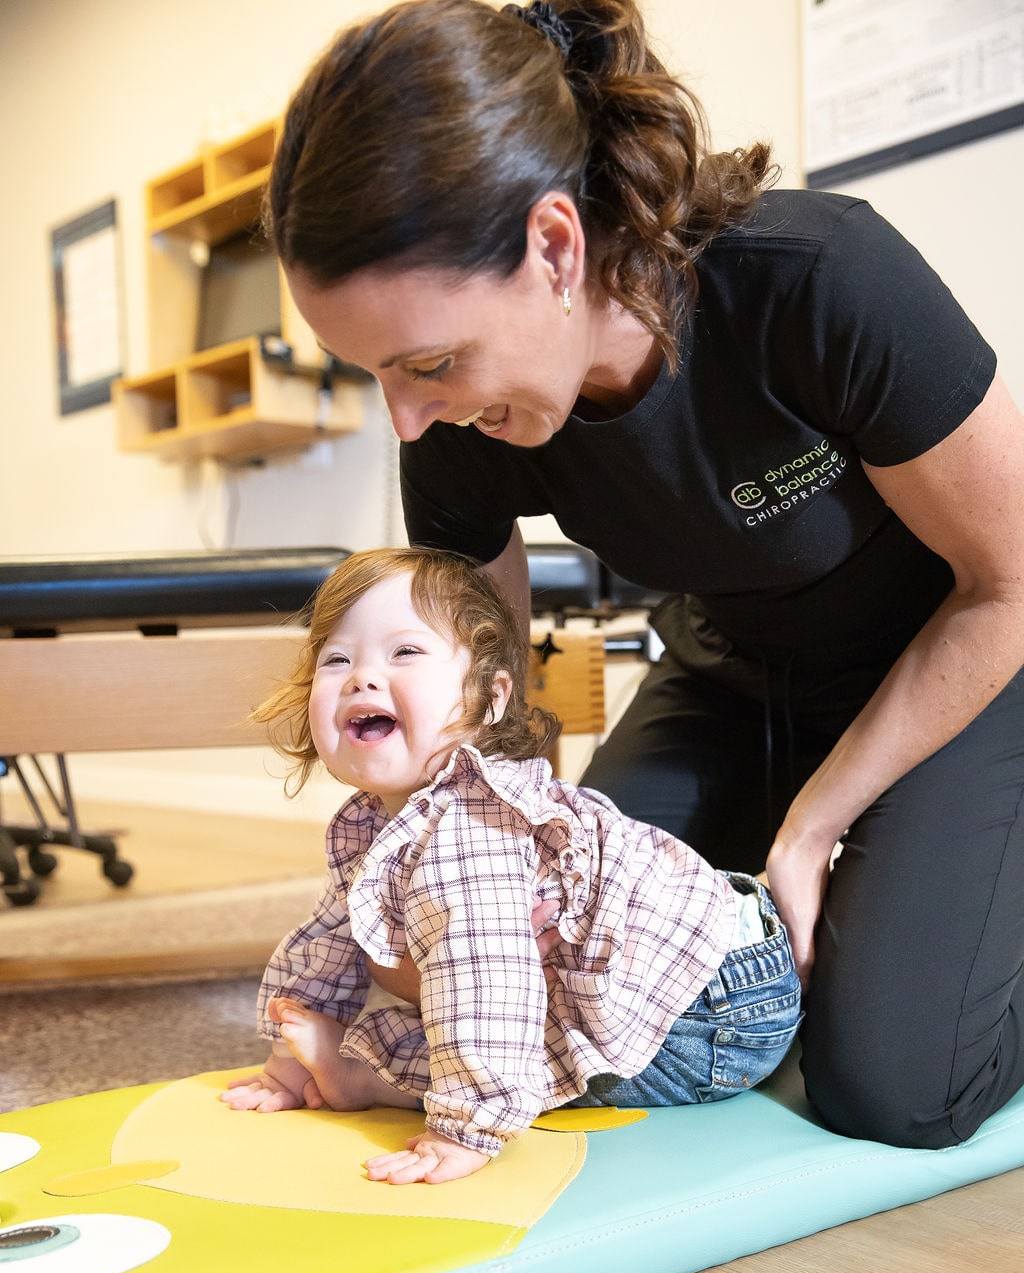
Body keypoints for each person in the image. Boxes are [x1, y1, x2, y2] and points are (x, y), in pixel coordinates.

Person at [263, 0, 1024, 1151]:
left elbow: (1007, 584)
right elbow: (476, 707)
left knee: (894, 1083)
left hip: (956, 675)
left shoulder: (819, 280)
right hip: (728, 682)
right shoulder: (462, 423)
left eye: (428, 363)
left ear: (557, 249)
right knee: (577, 972)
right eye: (377, 374)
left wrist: (813, 829)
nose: (409, 419)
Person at [221, 548, 801, 1184]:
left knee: (508, 1033)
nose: (361, 677)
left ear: (489, 699)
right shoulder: (375, 821)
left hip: (715, 1010)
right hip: (682, 955)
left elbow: (486, 983)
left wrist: (463, 1131)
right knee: (450, 1000)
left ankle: (371, 1079)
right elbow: (330, 937)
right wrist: (288, 1059)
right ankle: (353, 1070)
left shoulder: (470, 830)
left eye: (405, 652)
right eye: (337, 659)